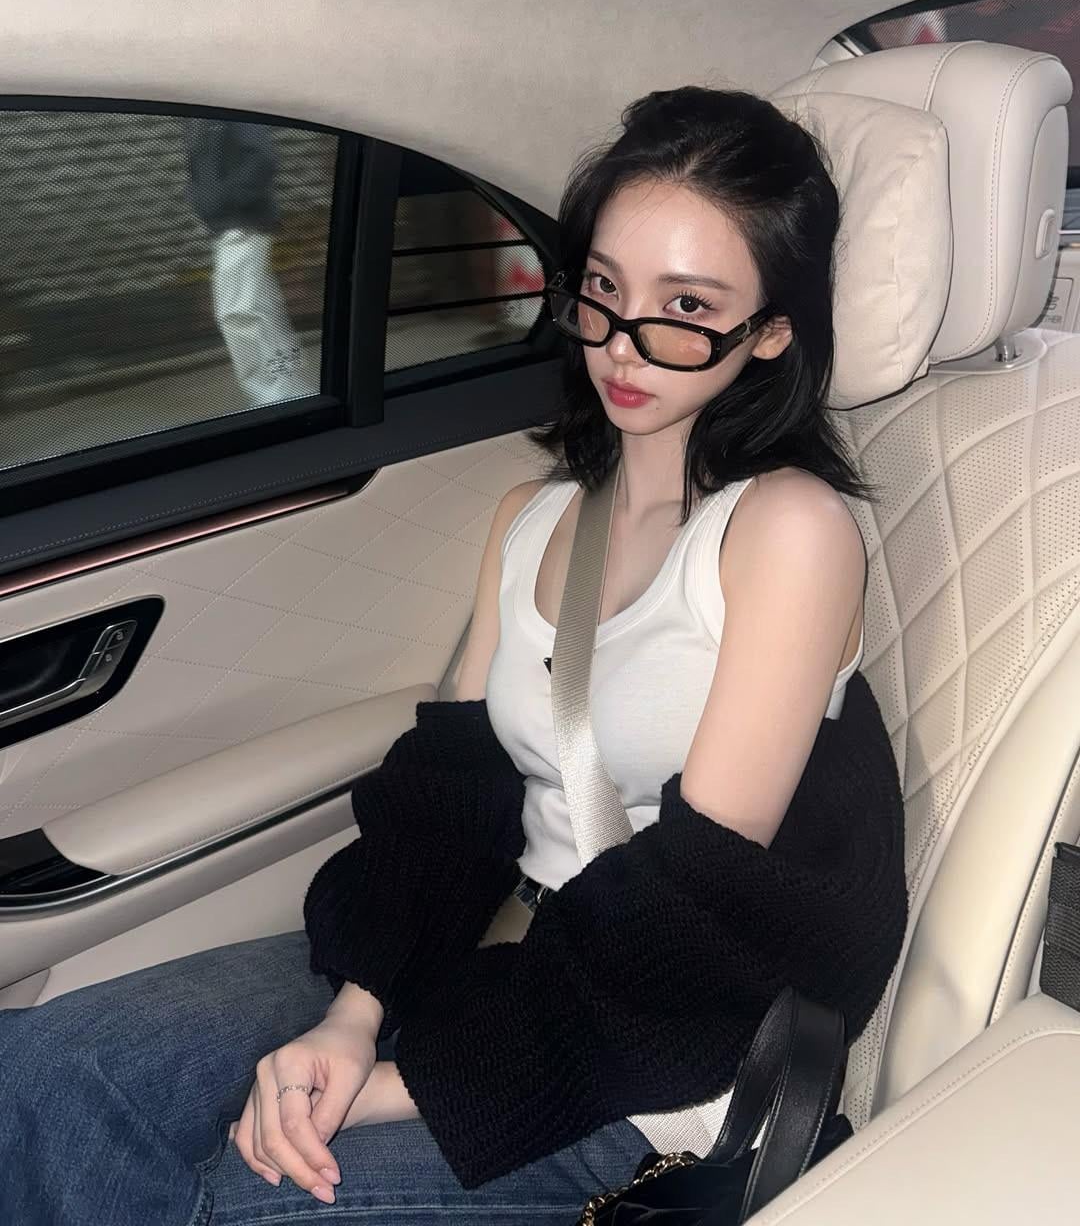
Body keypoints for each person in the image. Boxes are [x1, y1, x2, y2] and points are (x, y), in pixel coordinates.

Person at [0, 88, 908, 1225]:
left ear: (771, 332)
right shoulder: (534, 519)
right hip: (479, 952)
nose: (622, 345)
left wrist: (402, 1085)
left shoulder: (789, 531)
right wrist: (356, 1015)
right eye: (604, 290)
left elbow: (694, 903)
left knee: (244, 1196)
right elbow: (446, 799)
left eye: (687, 308)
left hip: (651, 1038)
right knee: (44, 1077)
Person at [183, 119, 314, 407]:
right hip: (230, 224)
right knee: (264, 311)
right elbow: (196, 170)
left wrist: (225, 201)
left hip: (241, 223)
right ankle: (294, 390)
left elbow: (263, 157)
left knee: (236, 313)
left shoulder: (224, 110)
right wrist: (201, 199)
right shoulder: (195, 117)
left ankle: (270, 399)